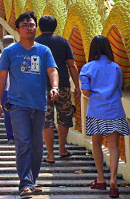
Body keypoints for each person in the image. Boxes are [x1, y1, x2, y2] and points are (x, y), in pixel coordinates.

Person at [0, 12, 60, 198]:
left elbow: (52, 70)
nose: (29, 28)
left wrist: (54, 86)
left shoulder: (43, 51)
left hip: (39, 104)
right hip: (17, 104)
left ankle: (32, 182)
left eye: (32, 25)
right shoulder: (10, 52)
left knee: (37, 146)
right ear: (17, 29)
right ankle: (25, 184)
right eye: (25, 25)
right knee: (23, 142)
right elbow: (1, 77)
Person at [80, 36, 130, 198]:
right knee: (113, 145)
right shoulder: (115, 67)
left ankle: (101, 179)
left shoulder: (87, 68)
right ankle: (113, 179)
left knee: (96, 143)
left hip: (96, 111)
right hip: (114, 110)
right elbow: (119, 88)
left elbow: (85, 92)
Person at [35, 15, 81, 164]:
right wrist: (77, 86)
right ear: (55, 26)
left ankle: (50, 154)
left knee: (46, 120)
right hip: (62, 85)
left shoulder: (34, 43)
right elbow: (72, 65)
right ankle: (62, 148)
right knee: (64, 116)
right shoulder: (63, 42)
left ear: (39, 27)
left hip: (41, 86)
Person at [0, 35, 16, 144]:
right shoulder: (0, 57)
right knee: (8, 115)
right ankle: (10, 137)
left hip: (18, 90)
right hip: (6, 89)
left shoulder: (19, 56)